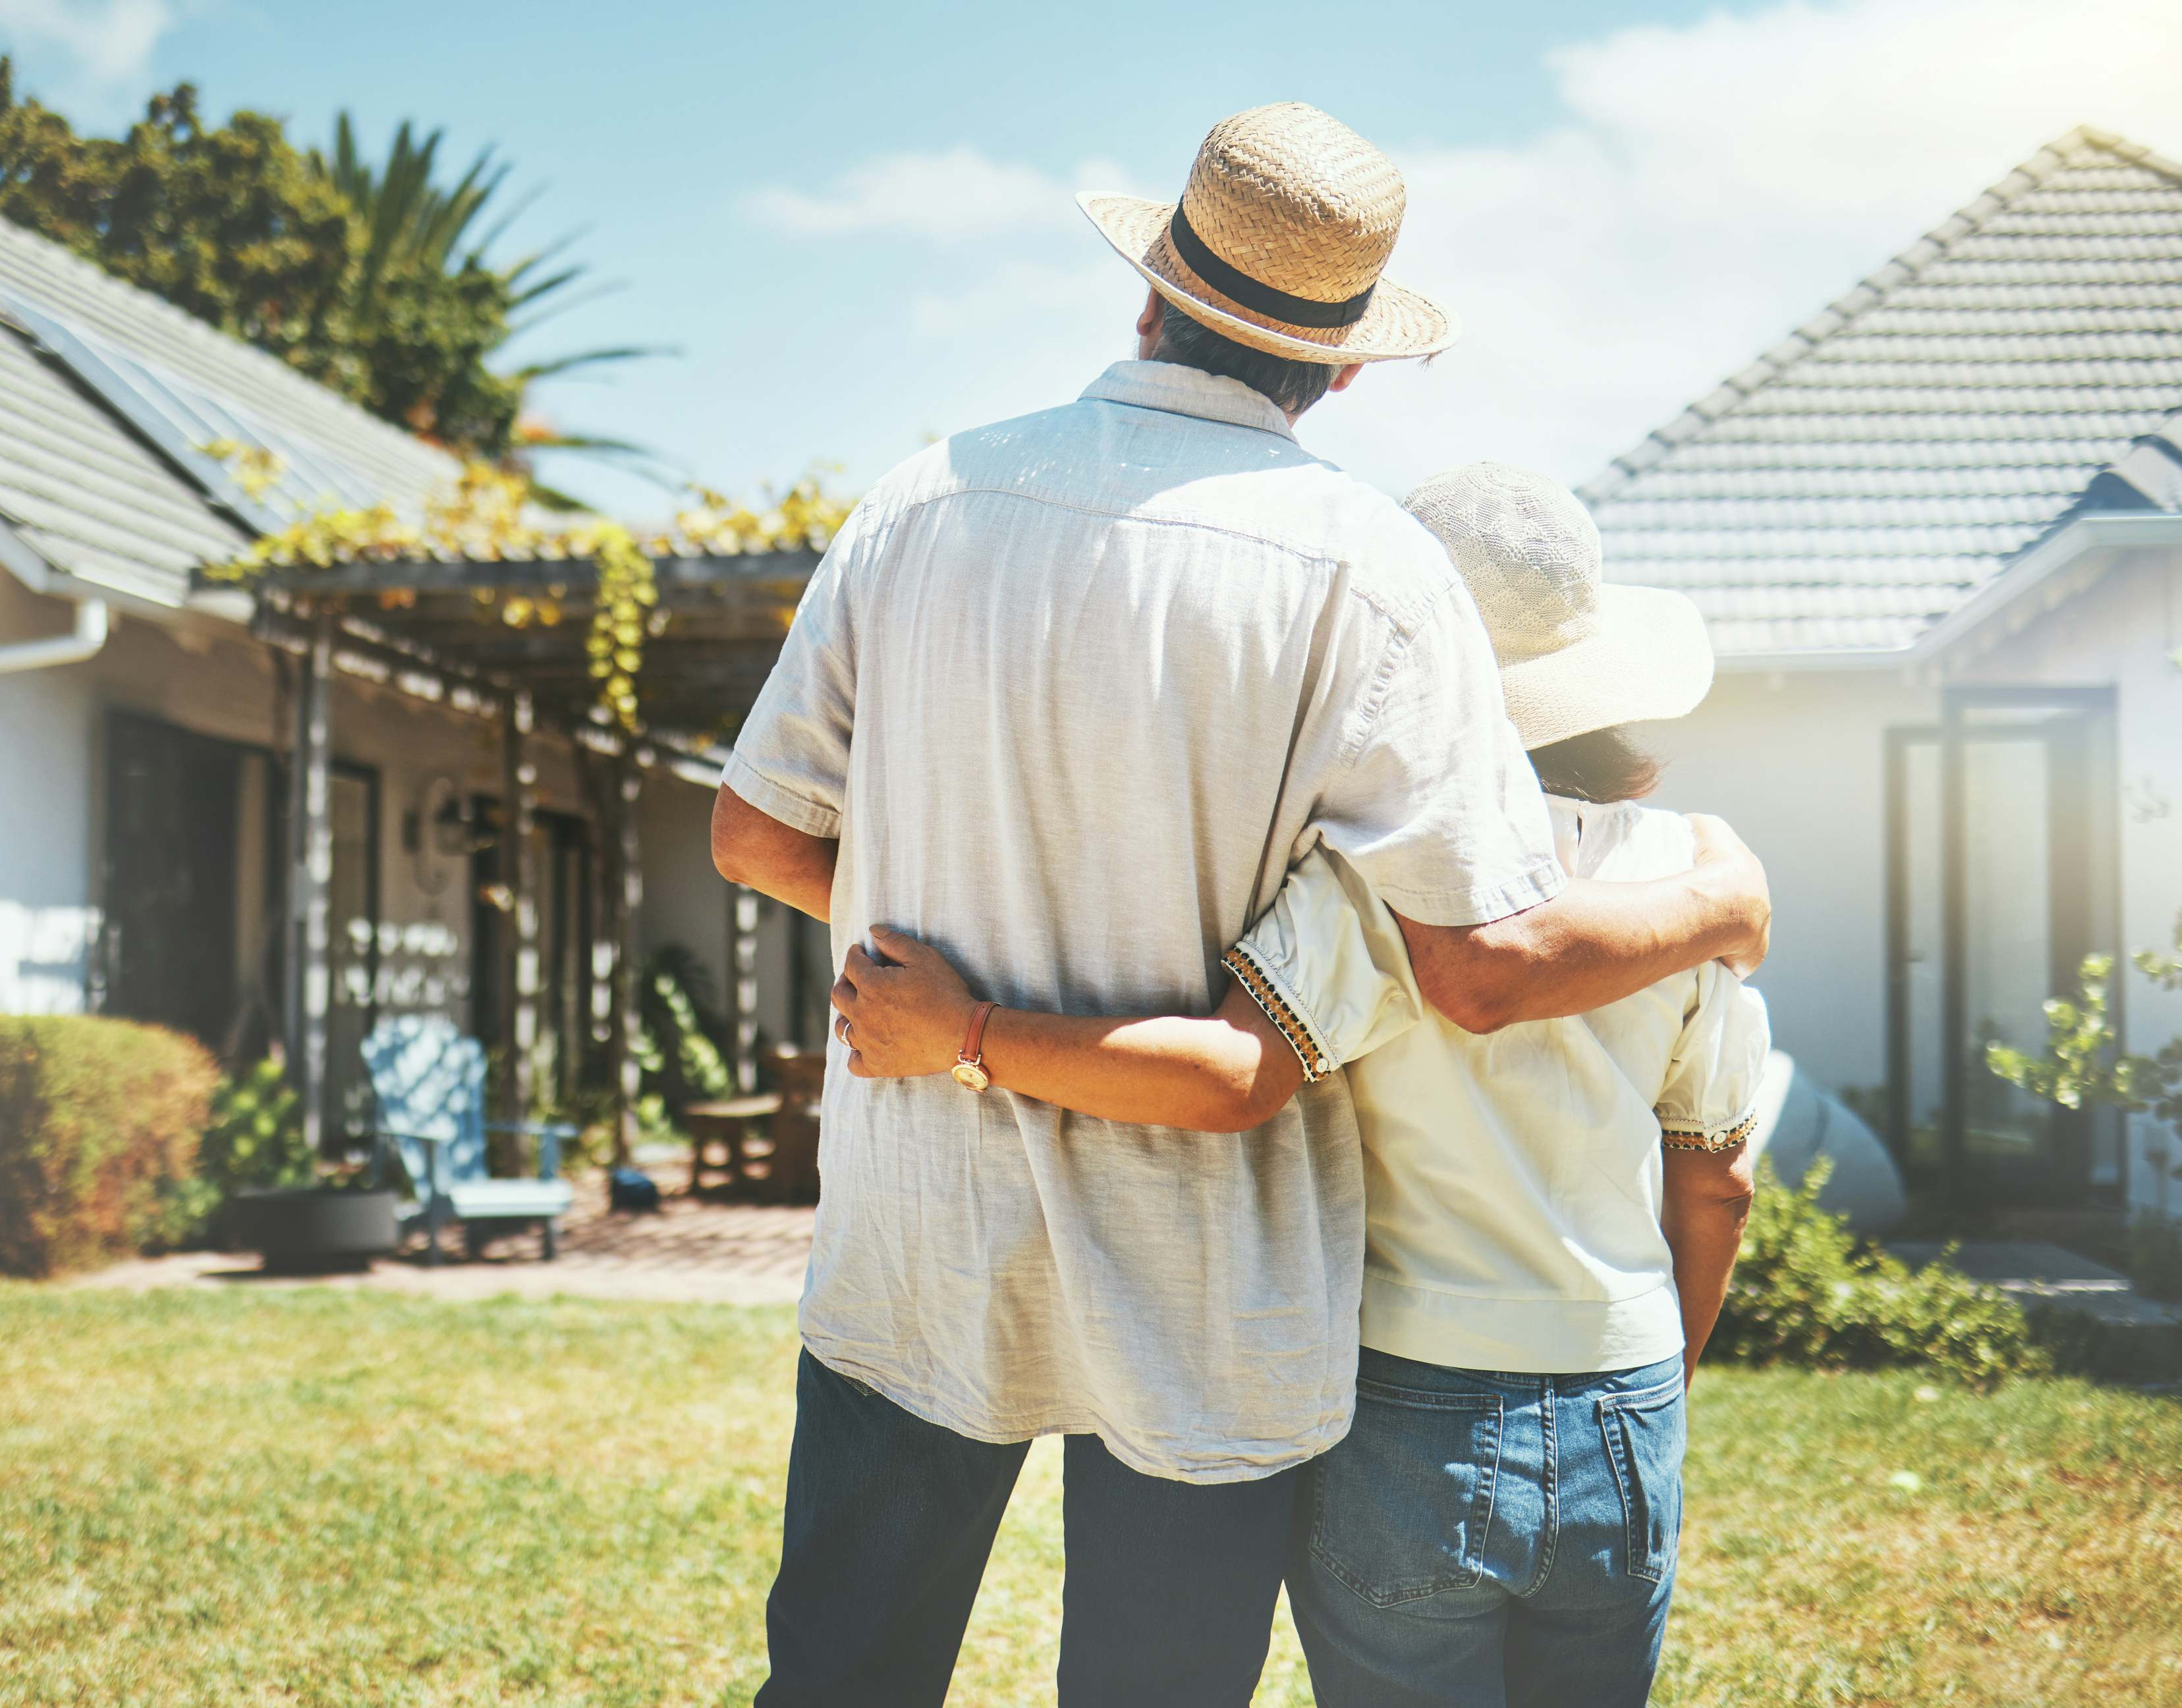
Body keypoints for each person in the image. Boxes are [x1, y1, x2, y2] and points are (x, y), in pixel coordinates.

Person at [713, 103, 1772, 1708]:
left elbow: (750, 832)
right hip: (1202, 1274)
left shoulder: (921, 498)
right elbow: (1476, 968)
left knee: (846, 1677)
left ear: (1146, 291)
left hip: (919, 1224)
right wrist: (1720, 901)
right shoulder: (1370, 568)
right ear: (1347, 365)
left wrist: (931, 988)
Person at [834, 461, 1768, 1708]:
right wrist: (1658, 1373)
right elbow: (1718, 1178)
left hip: (1416, 1399)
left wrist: (967, 1030)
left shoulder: (1377, 881)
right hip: (1628, 1399)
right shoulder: (1688, 879)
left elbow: (1231, 1073)